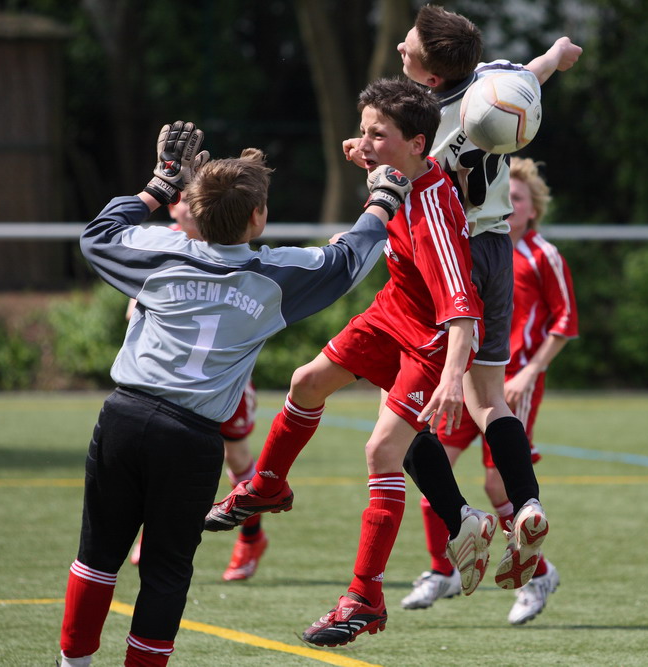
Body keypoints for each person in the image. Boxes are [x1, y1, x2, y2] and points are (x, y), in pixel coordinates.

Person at [57, 120, 406, 666]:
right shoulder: (275, 276)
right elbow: (345, 261)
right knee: (167, 572)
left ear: (190, 210)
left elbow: (96, 236)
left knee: (97, 555)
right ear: (258, 218)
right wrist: (382, 201)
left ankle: (72, 664)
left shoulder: (159, 250)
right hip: (192, 438)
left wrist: (159, 184)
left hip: (124, 415)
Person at [204, 78, 492, 648]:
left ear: (416, 144)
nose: (365, 143)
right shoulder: (401, 169)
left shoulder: (433, 208)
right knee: (306, 381)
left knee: (382, 450)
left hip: (432, 339)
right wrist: (366, 147)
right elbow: (383, 157)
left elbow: (462, 313)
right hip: (393, 313)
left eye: (376, 134)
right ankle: (266, 484)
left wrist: (455, 379)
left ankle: (365, 598)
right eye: (363, 131)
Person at [383, 4, 581, 593]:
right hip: (496, 249)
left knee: (401, 415)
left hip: (444, 258)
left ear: (433, 75)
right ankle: (524, 504)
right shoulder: (497, 78)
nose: (399, 47)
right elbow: (536, 70)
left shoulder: (415, 115)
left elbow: (391, 171)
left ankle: (460, 521)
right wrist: (559, 55)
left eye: (409, 45)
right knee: (490, 400)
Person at [401, 157, 578, 625]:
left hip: (512, 383)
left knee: (496, 482)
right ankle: (442, 570)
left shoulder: (543, 256)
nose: (513, 204)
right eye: (510, 196)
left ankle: (537, 575)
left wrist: (529, 373)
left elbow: (564, 323)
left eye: (520, 198)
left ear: (532, 209)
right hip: (460, 377)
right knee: (435, 464)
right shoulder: (466, 247)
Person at [125, 200, 267, 583]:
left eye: (193, 200)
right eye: (181, 200)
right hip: (171, 378)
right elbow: (134, 309)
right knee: (160, 452)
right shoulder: (163, 245)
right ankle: (153, 528)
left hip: (223, 378)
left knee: (236, 457)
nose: (184, 208)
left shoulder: (230, 246)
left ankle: (252, 538)